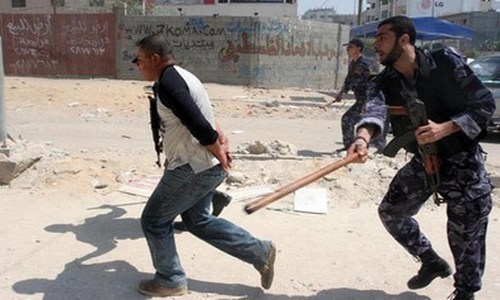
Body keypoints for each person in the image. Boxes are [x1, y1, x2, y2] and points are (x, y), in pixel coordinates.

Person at [347, 16, 495, 300]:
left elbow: (484, 104)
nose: (375, 44)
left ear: (404, 40)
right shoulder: (384, 81)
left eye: (382, 37)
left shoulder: (446, 63)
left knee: (465, 234)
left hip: (462, 160)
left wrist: (446, 127)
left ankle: (465, 293)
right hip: (424, 161)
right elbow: (374, 112)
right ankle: (431, 261)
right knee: (391, 211)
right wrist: (362, 139)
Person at [132, 33, 276, 297]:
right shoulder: (184, 77)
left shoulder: (169, 84)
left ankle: (170, 279)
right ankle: (260, 251)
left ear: (154, 58)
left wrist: (217, 149)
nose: (136, 65)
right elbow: (203, 112)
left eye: (139, 60)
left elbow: (197, 123)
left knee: (153, 220)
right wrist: (219, 139)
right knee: (197, 219)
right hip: (202, 165)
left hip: (191, 167)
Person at [320, 38, 386, 153]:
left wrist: (368, 102)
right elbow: (349, 80)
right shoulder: (353, 63)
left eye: (350, 47)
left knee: (351, 119)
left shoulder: (366, 64)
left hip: (368, 99)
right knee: (357, 121)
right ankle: (350, 146)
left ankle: (380, 148)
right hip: (360, 99)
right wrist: (341, 93)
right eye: (347, 47)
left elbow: (373, 83)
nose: (347, 49)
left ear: (358, 49)